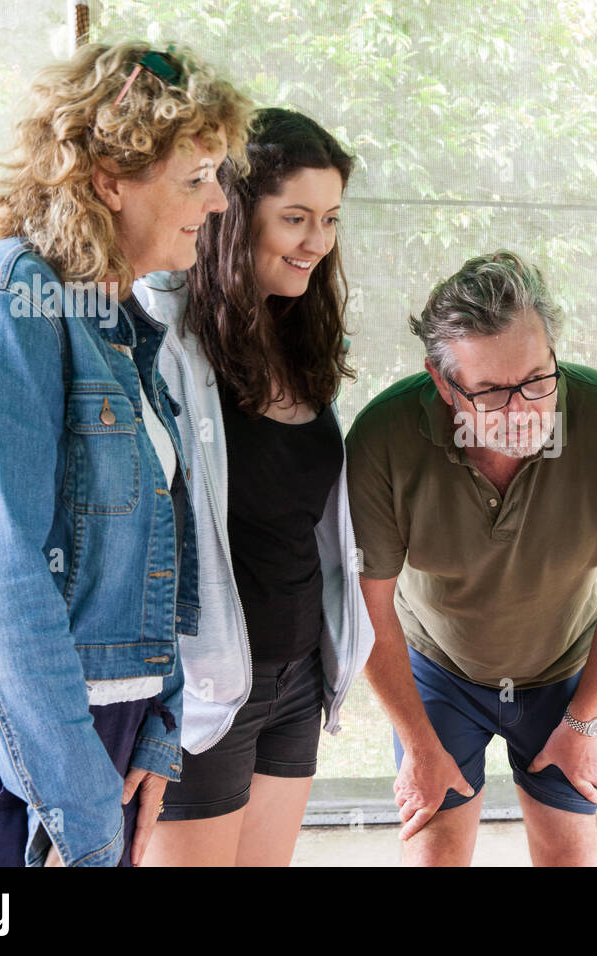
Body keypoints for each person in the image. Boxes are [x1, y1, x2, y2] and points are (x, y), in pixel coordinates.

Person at [0, 41, 253, 866]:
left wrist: (155, 731)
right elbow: (0, 587)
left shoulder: (117, 321)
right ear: (110, 179)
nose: (218, 202)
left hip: (89, 743)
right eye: (195, 179)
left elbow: (158, 560)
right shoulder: (7, 305)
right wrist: (82, 816)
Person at [346, 250, 597, 866]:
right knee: (434, 853)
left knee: (569, 853)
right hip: (438, 667)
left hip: (565, 667)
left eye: (536, 380)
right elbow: (368, 610)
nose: (523, 410)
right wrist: (419, 747)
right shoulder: (381, 438)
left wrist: (583, 725)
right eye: (491, 392)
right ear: (442, 382)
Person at [133, 109, 373, 866]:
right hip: (202, 691)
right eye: (295, 218)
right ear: (234, 215)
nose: (316, 243)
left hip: (298, 677)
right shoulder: (159, 329)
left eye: (330, 220)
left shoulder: (299, 334)